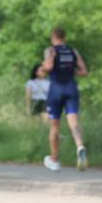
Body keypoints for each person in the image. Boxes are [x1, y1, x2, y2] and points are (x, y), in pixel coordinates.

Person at [41, 28, 89, 172]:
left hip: (56, 89)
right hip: (71, 88)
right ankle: (80, 146)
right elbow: (84, 72)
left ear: (53, 37)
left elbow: (48, 67)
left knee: (55, 125)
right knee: (73, 121)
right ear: (64, 37)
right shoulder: (73, 51)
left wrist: (43, 66)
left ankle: (54, 159)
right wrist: (71, 71)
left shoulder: (51, 50)